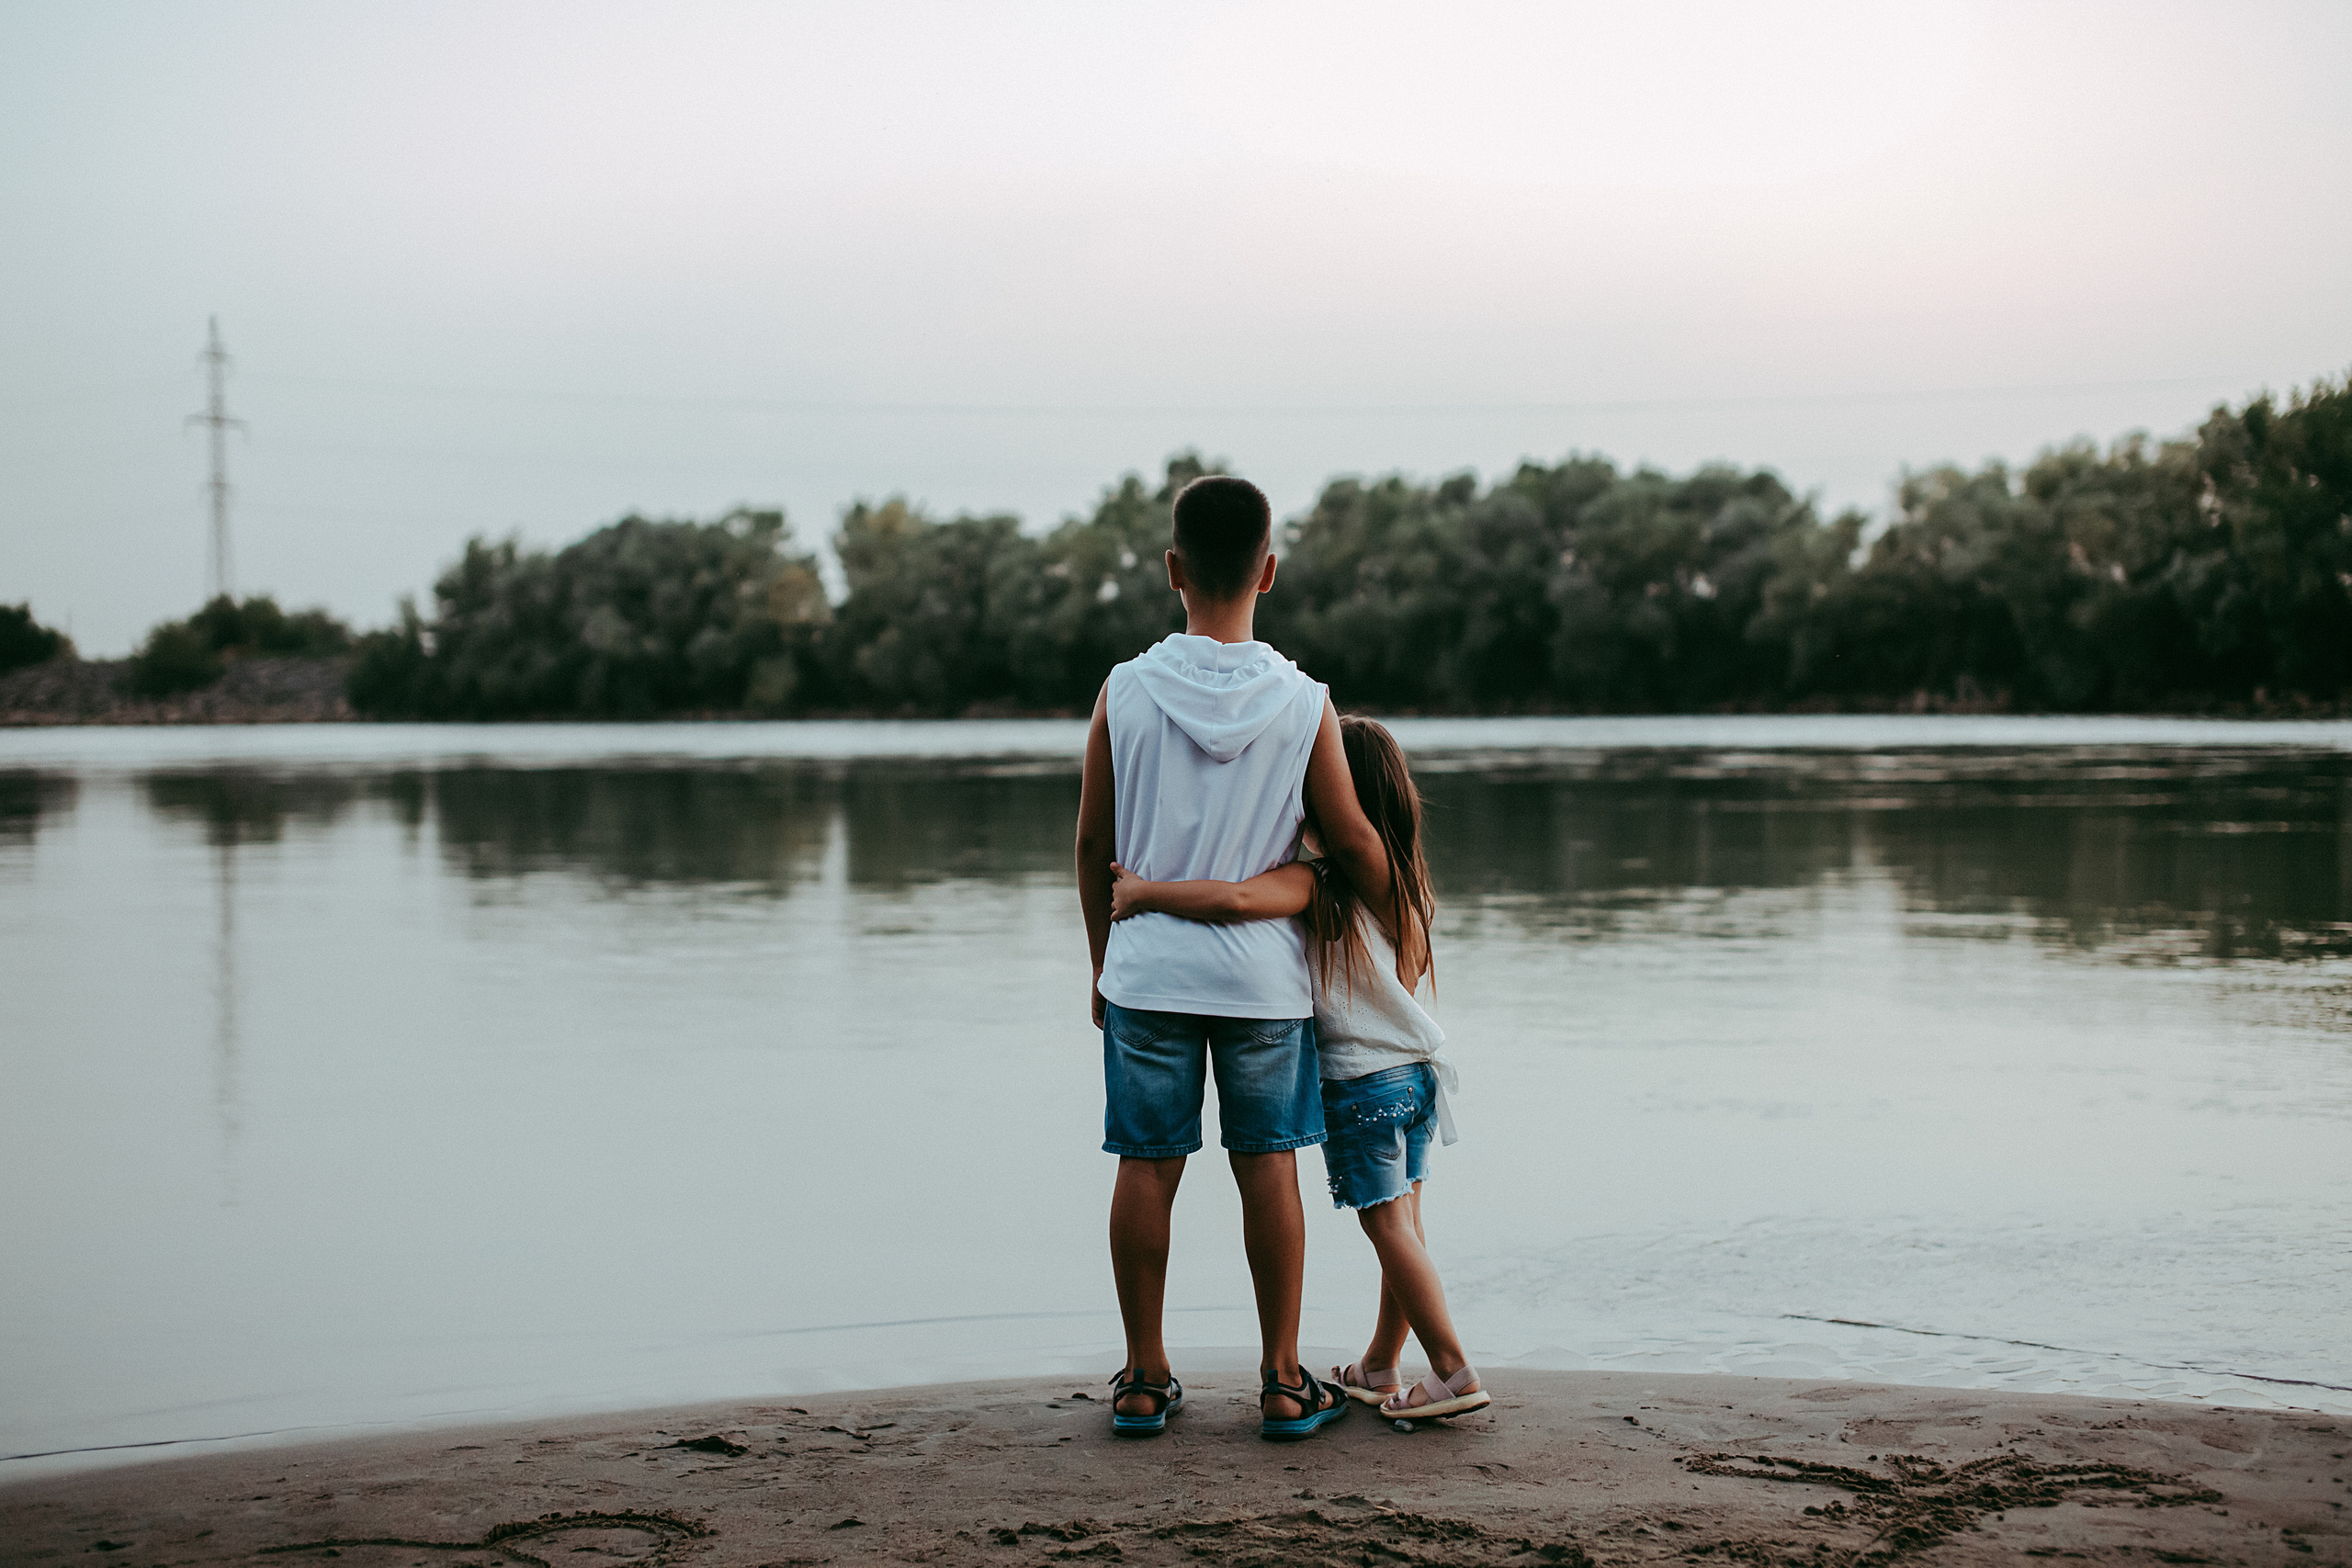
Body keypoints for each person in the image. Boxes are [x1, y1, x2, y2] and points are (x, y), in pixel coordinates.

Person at [1075, 474, 1398, 1442]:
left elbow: (1092, 845)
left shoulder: (1123, 690)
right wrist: (1402, 901)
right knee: (1268, 1169)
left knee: (1146, 1164)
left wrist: (1101, 964)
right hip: (1263, 983)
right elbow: (1346, 841)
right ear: (1269, 570)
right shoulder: (1302, 702)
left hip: (1148, 972)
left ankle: (1143, 1377)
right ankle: (1280, 1379)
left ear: (1174, 570)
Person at [1105, 715, 1488, 1423]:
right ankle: (1379, 1362)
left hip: (1362, 1086)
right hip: (1417, 1078)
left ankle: (1453, 1370)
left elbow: (1238, 899)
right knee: (1406, 1222)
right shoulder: (1405, 886)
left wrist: (1146, 894)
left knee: (1389, 1229)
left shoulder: (1322, 888)